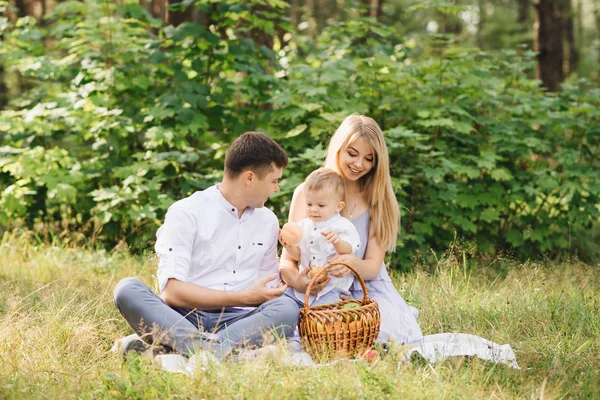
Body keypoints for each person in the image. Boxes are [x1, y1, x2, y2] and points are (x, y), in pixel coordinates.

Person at [114, 132, 300, 359]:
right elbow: (172, 292)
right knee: (127, 289)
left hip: (240, 322)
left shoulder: (268, 220)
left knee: (288, 309)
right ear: (249, 178)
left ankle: (186, 348)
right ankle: (220, 352)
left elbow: (268, 289)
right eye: (274, 181)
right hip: (184, 316)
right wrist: (244, 297)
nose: (276, 189)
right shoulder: (186, 212)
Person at [279, 115, 423, 344]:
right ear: (338, 149)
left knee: (369, 330)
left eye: (369, 158)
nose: (359, 164)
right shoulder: (308, 193)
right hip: (311, 288)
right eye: (352, 154)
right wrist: (298, 282)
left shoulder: (378, 200)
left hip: (365, 287)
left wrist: (349, 263)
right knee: (293, 326)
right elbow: (288, 260)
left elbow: (372, 268)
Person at [279, 167, 360, 307]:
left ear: (338, 206)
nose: (313, 209)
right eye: (309, 204)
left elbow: (349, 248)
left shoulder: (342, 226)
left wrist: (337, 243)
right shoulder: (304, 226)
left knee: (323, 313)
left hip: (332, 288)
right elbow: (299, 255)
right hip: (305, 287)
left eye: (321, 205)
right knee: (282, 301)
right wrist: (289, 246)